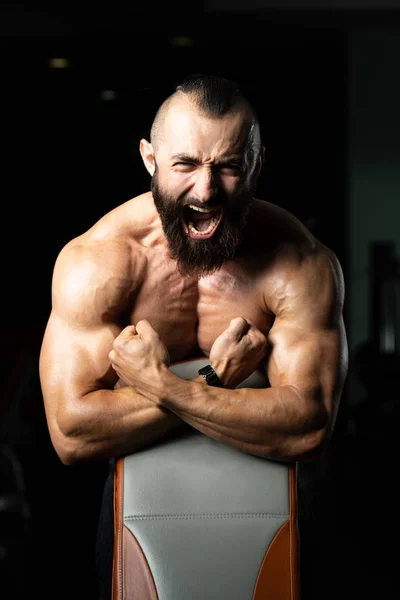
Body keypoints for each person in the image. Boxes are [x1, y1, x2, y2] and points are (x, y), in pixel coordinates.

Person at [39, 74, 348, 599]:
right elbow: (72, 434)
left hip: (278, 513)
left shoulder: (299, 263)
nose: (206, 192)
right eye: (185, 164)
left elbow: (309, 428)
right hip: (132, 515)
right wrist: (221, 375)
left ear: (256, 165)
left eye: (228, 167)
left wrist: (165, 386)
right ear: (149, 159)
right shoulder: (99, 262)